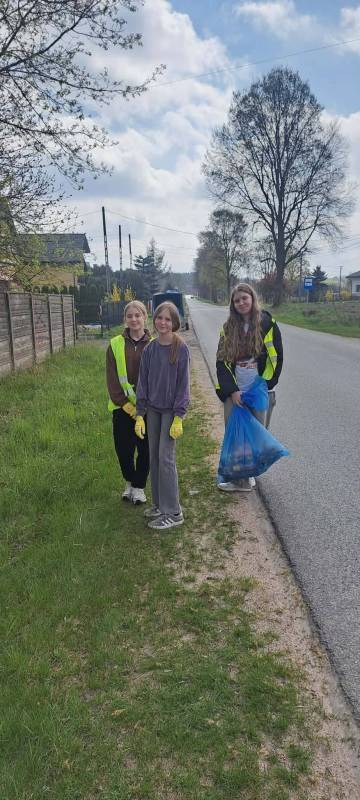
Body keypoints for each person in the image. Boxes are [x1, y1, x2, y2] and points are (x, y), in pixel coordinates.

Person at [216, 283, 283, 492]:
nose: (241, 303)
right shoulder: (228, 328)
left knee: (255, 433)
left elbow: (277, 357)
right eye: (237, 300)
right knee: (236, 433)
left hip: (259, 389)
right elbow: (221, 361)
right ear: (233, 305)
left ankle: (248, 476)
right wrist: (232, 390)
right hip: (235, 390)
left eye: (244, 298)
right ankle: (241, 479)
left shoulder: (267, 324)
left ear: (252, 298)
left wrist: (265, 384)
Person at [135, 301, 190, 530]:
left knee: (166, 459)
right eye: (160, 318)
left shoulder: (181, 348)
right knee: (154, 457)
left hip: (170, 412)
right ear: (154, 320)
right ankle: (159, 504)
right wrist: (140, 413)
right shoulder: (150, 348)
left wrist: (179, 415)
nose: (163, 322)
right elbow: (143, 381)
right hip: (153, 410)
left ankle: (173, 511)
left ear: (174, 322)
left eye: (168, 319)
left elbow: (183, 385)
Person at [106, 300, 151, 504]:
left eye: (137, 315)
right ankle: (129, 481)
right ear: (125, 319)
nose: (134, 319)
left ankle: (139, 487)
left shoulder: (155, 344)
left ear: (144, 317)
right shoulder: (115, 344)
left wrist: (141, 408)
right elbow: (112, 378)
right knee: (123, 450)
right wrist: (125, 405)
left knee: (145, 449)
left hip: (147, 409)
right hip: (122, 407)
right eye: (130, 316)